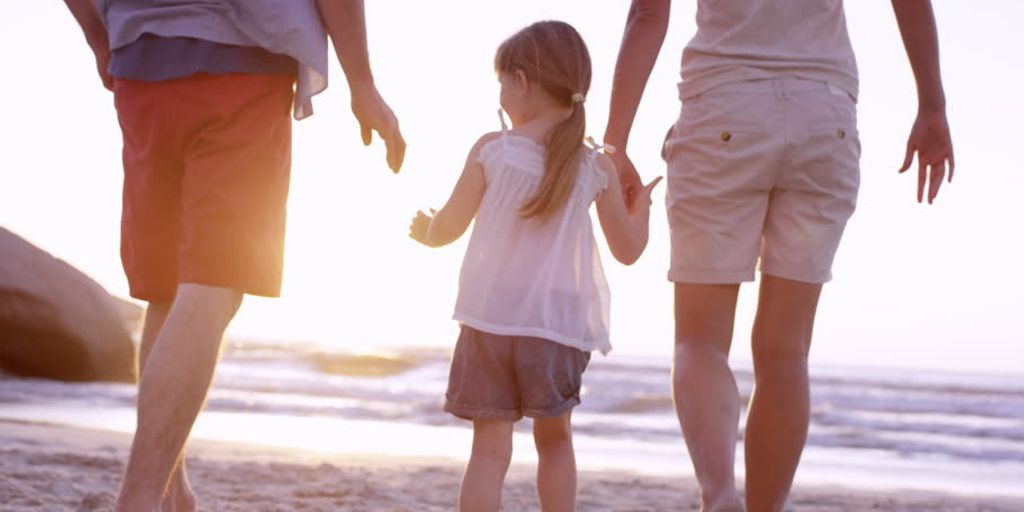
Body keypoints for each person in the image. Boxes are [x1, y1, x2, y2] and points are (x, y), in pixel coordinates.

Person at [602, 1, 955, 511]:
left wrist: (615, 144)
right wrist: (933, 107)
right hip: (824, 115)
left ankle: (719, 498)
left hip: (725, 107)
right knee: (786, 352)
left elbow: (648, 16)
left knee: (700, 342)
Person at [61, 1, 406, 510]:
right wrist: (363, 83)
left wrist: (100, 36)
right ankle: (138, 498)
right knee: (213, 283)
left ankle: (171, 492)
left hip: (139, 62)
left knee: (168, 290)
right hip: (242, 59)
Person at [409, 20, 661, 512]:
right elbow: (629, 251)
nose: (501, 92)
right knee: (556, 442)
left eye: (502, 80)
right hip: (557, 326)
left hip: (490, 319)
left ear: (522, 81)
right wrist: (642, 209)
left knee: (489, 449)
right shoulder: (596, 167)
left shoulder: (493, 150)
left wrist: (427, 229)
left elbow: (448, 229)